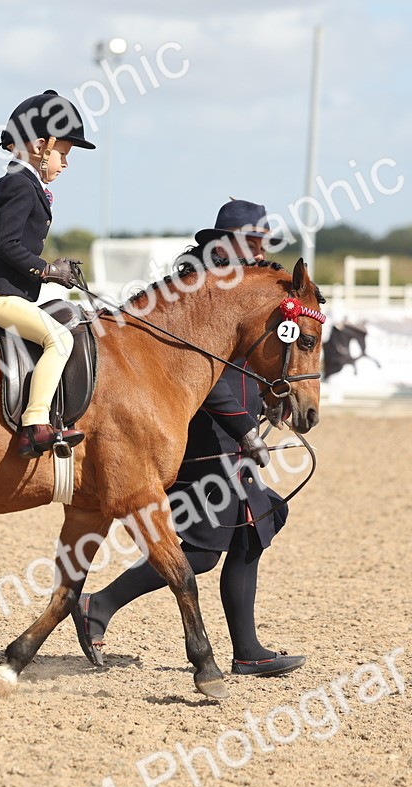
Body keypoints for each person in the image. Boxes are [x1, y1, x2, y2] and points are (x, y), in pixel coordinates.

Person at [71, 199, 306, 677]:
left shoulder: (241, 288)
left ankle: (247, 650)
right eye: (254, 243)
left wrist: (270, 399)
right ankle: (99, 603)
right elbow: (202, 373)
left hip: (229, 426)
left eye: (264, 244)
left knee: (248, 530)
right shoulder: (199, 289)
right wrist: (244, 428)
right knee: (203, 545)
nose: (261, 253)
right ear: (230, 242)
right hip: (200, 430)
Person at [0, 90, 94, 459]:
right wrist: (49, 271)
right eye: (63, 153)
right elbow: (8, 244)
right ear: (39, 146)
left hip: (4, 290)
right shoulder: (19, 183)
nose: (66, 163)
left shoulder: (25, 181)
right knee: (59, 340)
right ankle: (35, 424)